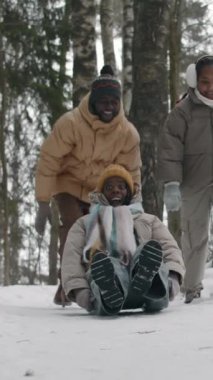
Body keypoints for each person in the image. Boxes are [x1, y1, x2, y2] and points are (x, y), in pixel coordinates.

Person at [34, 65, 142, 306]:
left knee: (100, 235)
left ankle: (104, 281)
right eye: (102, 101)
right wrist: (42, 201)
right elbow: (49, 160)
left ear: (119, 103)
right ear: (92, 101)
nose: (108, 106)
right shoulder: (70, 124)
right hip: (68, 184)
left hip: (101, 191)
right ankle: (67, 285)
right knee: (73, 230)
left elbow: (132, 173)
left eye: (113, 102)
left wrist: (133, 205)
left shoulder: (127, 134)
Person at [61, 164, 185, 316]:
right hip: (107, 291)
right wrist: (81, 292)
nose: (115, 190)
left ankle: (148, 278)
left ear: (129, 192)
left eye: (121, 186)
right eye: (109, 187)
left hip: (148, 290)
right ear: (101, 193)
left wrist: (172, 278)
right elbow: (71, 258)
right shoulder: (85, 223)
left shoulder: (149, 220)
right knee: (107, 263)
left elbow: (169, 248)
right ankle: (110, 287)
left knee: (146, 251)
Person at [158, 55, 213, 303]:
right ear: (194, 80)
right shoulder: (182, 112)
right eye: (205, 81)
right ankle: (191, 286)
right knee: (193, 234)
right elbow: (170, 149)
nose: (210, 87)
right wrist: (171, 184)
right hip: (194, 181)